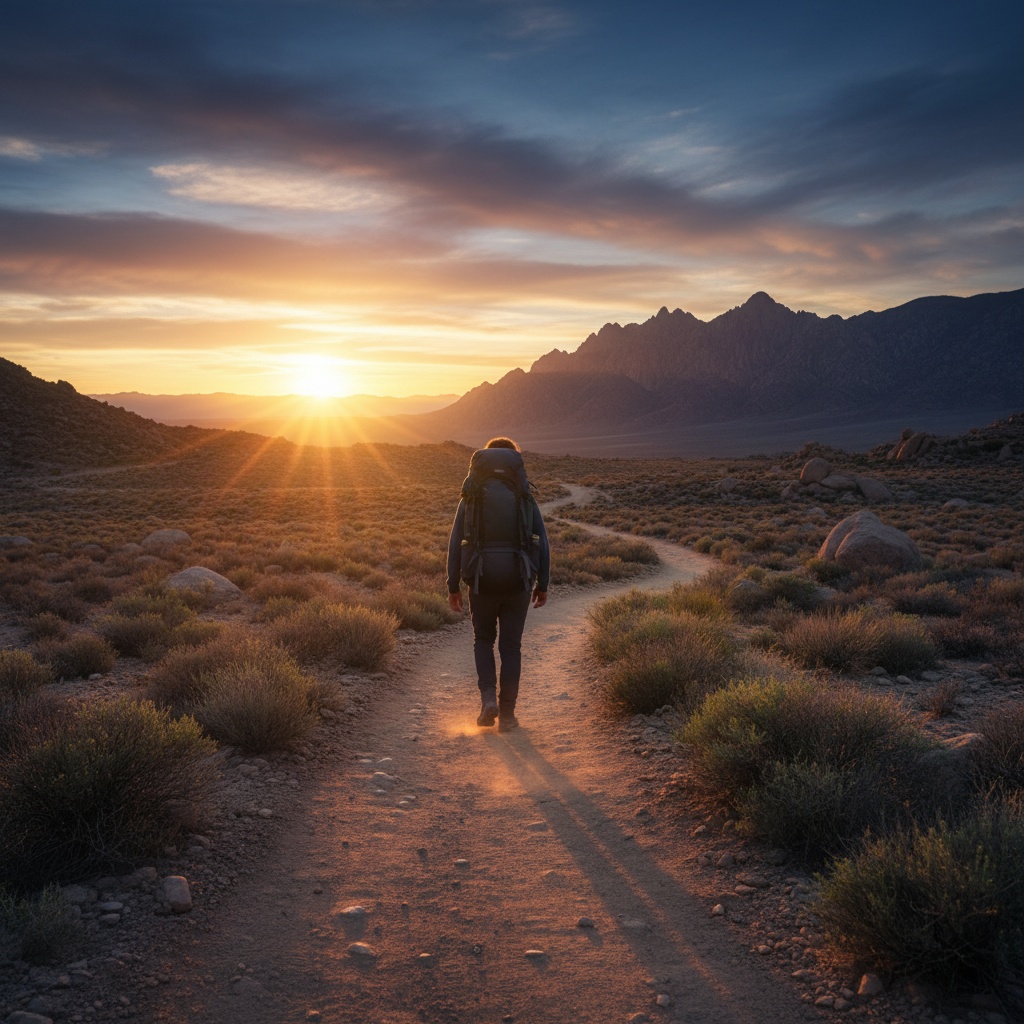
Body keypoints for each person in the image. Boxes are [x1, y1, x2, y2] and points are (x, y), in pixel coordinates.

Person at [446, 437, 550, 732]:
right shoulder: (524, 495)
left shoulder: (471, 496)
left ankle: (488, 699)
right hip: (518, 580)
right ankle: (507, 716)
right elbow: (542, 543)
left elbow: (455, 543)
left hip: (481, 580)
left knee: (483, 640)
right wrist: (543, 584)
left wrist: (453, 586)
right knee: (511, 647)